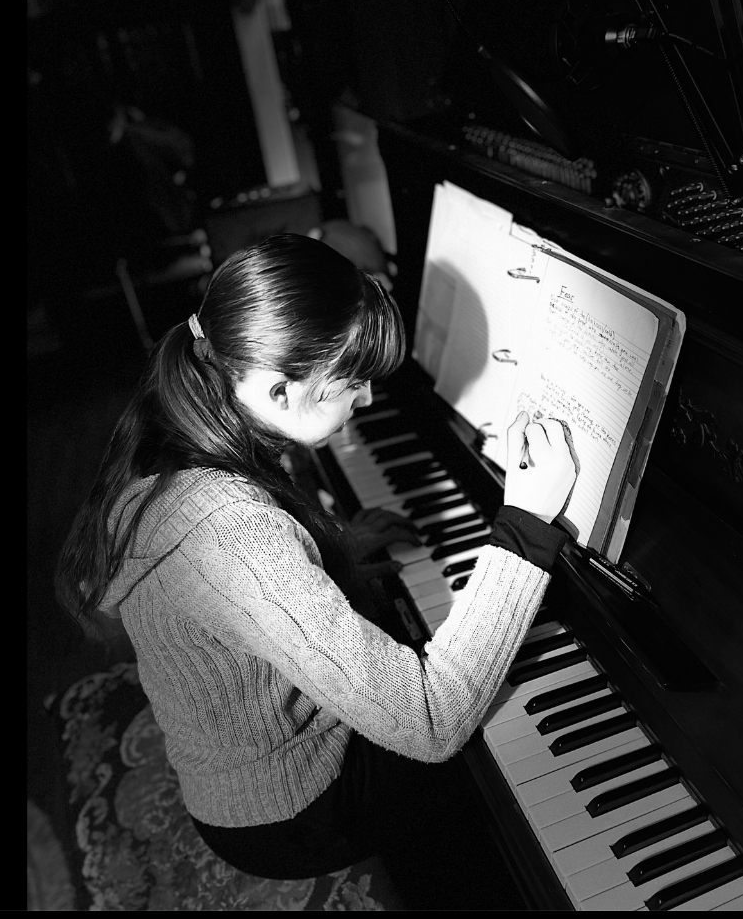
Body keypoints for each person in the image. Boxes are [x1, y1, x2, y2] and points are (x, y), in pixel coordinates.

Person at [55, 233, 577, 883]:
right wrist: (526, 525)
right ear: (278, 389)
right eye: (350, 381)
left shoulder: (191, 415)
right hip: (288, 814)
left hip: (247, 750)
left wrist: (340, 545)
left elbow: (245, 582)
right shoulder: (234, 540)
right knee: (497, 756)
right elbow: (433, 721)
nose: (365, 400)